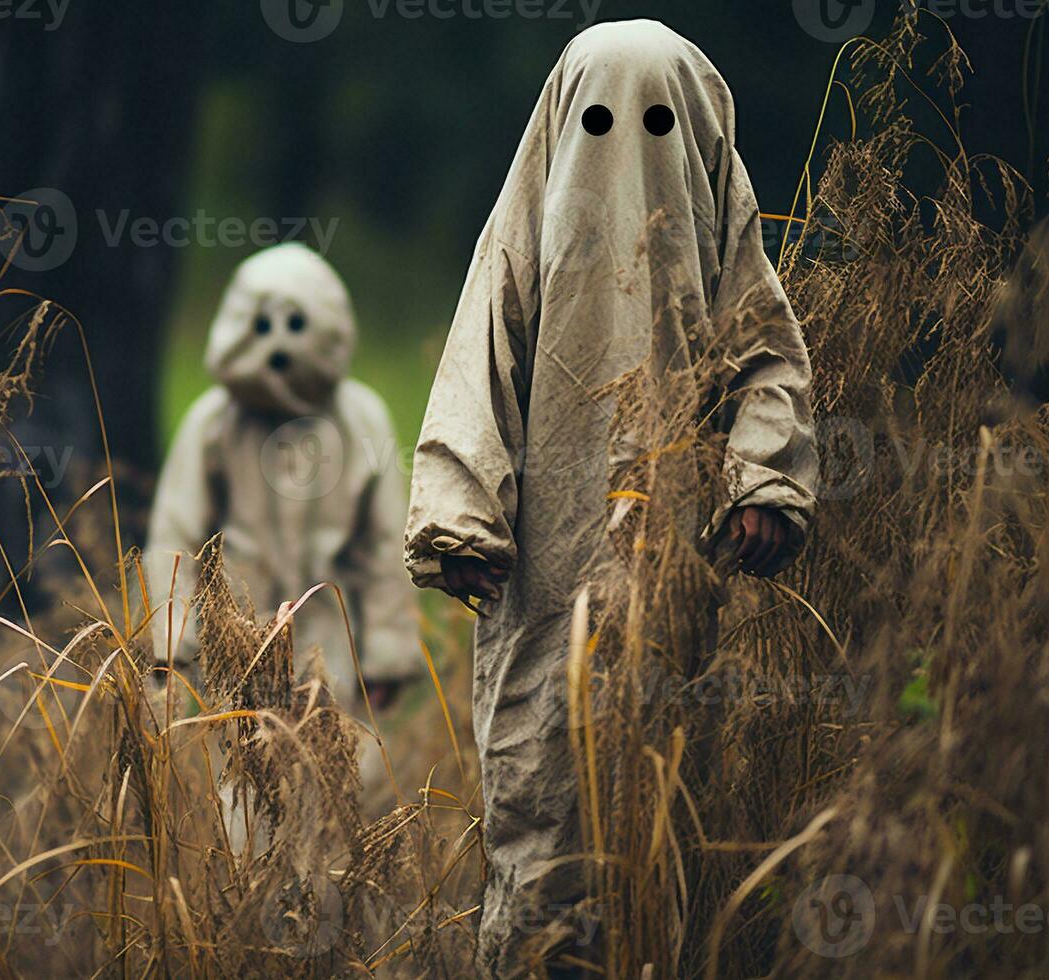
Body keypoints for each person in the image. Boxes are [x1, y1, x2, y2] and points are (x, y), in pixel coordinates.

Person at [403, 21, 820, 977]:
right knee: (542, 786)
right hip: (546, 556)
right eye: (597, 120)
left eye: (657, 121)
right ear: (559, 126)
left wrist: (759, 478)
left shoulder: (722, 238)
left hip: (681, 556)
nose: (623, 148)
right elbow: (478, 366)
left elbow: (767, 362)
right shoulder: (521, 237)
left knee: (668, 790)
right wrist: (461, 515)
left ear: (703, 137)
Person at [145, 242, 424, 715]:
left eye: (296, 325)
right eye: (262, 327)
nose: (278, 347)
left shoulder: (361, 420)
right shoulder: (214, 423)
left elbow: (384, 546)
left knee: (338, 763)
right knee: (239, 766)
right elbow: (176, 534)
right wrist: (172, 641)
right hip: (234, 638)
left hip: (330, 634)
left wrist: (385, 652)